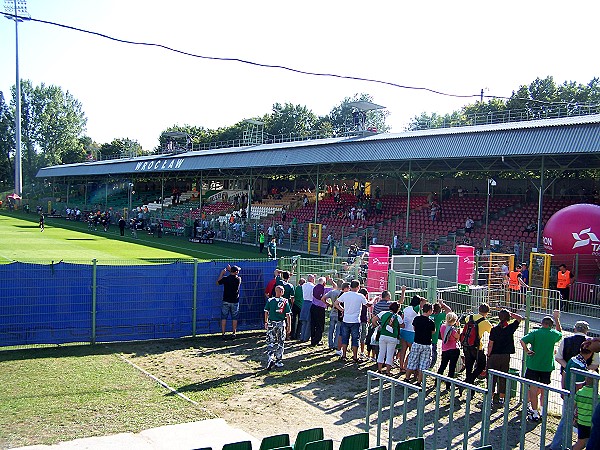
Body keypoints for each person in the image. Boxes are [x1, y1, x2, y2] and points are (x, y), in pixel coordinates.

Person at [549, 343, 595, 450]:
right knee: (567, 421)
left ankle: (561, 444)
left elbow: (564, 374)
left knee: (566, 420)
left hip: (567, 393)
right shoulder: (581, 366)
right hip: (574, 398)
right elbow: (578, 385)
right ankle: (556, 445)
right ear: (590, 353)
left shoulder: (572, 359)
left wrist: (563, 389)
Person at [520, 310, 562, 421]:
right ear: (551, 325)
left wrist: (527, 350)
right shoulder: (553, 334)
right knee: (544, 390)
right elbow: (560, 332)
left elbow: (523, 340)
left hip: (533, 365)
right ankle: (543, 411)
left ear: (542, 323)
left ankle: (534, 412)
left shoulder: (535, 333)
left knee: (533, 390)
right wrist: (557, 318)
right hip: (546, 366)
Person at [487, 309, 523, 405]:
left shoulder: (494, 329)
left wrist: (488, 354)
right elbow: (520, 318)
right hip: (505, 356)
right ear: (508, 318)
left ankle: (490, 398)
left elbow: (490, 344)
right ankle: (501, 398)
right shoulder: (510, 328)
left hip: (494, 356)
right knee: (503, 376)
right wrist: (510, 314)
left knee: (492, 377)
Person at [556, 320, 599, 390]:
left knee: (567, 395)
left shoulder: (566, 340)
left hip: (566, 377)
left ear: (575, 329)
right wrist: (582, 370)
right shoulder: (591, 343)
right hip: (585, 381)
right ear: (587, 330)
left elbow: (558, 358)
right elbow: (595, 364)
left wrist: (569, 367)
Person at [336, 280, 368, 363]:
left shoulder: (345, 294)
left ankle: (344, 355)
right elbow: (368, 304)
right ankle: (355, 356)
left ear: (350, 287)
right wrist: (374, 299)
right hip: (355, 320)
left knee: (345, 338)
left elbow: (336, 303)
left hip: (346, 319)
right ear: (358, 287)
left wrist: (342, 309)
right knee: (355, 339)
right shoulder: (360, 296)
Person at [405, 302, 436, 387]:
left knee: (412, 361)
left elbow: (414, 328)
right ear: (429, 311)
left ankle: (407, 378)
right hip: (426, 344)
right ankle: (419, 382)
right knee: (424, 364)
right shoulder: (431, 322)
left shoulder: (417, 319)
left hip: (417, 342)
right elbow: (433, 332)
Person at [463, 303, 493, 387]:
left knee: (469, 367)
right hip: (477, 347)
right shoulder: (485, 322)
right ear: (487, 313)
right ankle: (470, 380)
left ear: (479, 310)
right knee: (481, 365)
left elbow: (465, 321)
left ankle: (468, 386)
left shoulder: (469, 317)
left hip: (466, 345)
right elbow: (492, 331)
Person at [264, 285, 292, 370]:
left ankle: (270, 357)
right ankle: (278, 361)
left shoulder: (270, 300)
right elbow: (288, 315)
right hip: (280, 324)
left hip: (271, 323)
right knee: (281, 341)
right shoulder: (285, 301)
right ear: (282, 292)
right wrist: (289, 325)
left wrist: (266, 321)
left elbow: (266, 312)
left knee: (270, 341)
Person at [372, 301, 403, 375]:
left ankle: (379, 369)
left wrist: (378, 326)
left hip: (383, 335)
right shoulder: (397, 317)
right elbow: (402, 325)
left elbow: (373, 320)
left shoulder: (383, 313)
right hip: (393, 337)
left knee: (381, 352)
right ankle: (388, 371)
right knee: (390, 354)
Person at [398, 295, 426, 373]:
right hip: (412, 332)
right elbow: (424, 303)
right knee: (412, 351)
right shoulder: (415, 308)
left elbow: (403, 318)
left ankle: (401, 366)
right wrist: (423, 299)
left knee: (403, 350)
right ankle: (407, 366)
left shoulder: (406, 308)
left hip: (403, 330)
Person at [216, 265, 242, 339]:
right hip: (235, 301)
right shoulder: (238, 279)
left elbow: (218, 283)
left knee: (224, 317)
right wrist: (231, 270)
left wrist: (222, 273)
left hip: (226, 300)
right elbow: (235, 275)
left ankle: (223, 333)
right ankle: (234, 333)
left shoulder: (226, 279)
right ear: (236, 272)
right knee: (234, 317)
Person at [437, 312, 461, 390]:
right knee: (452, 367)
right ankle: (448, 385)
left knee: (443, 366)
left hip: (445, 349)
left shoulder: (442, 327)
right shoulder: (453, 330)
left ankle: (437, 381)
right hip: (453, 349)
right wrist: (459, 327)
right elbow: (458, 337)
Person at [324, 280, 347, 354]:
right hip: (340, 313)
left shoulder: (332, 292)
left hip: (332, 312)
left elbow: (322, 298)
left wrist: (328, 304)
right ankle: (336, 344)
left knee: (331, 330)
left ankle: (330, 344)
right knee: (338, 330)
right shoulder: (343, 294)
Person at [431, 299, 452, 368]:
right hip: (433, 340)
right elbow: (449, 311)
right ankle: (430, 368)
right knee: (433, 355)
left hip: (423, 339)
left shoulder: (428, 314)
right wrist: (442, 304)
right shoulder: (438, 317)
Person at [310, 277, 329, 346]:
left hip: (313, 306)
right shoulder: (325, 289)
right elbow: (335, 288)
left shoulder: (314, 288)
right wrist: (331, 281)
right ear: (324, 283)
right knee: (320, 325)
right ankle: (317, 340)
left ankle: (313, 339)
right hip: (320, 308)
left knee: (313, 324)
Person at [299, 274, 315, 342]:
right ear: (312, 279)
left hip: (304, 302)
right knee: (309, 321)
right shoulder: (313, 286)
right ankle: (306, 337)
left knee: (304, 321)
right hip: (310, 302)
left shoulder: (303, 285)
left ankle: (302, 336)